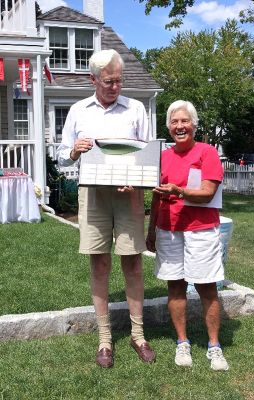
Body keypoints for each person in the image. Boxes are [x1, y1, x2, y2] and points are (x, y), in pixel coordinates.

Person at [57, 49, 156, 368]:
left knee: (133, 264)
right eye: (109, 81)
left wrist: (139, 182)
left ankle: (138, 335)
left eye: (119, 80)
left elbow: (149, 155)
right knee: (99, 265)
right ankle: (104, 340)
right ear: (93, 80)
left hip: (129, 196)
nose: (115, 86)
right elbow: (61, 157)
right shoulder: (78, 110)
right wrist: (73, 150)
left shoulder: (136, 108)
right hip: (94, 196)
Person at [146, 100, 229, 371]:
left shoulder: (207, 152)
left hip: (201, 229)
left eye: (185, 121)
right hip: (168, 231)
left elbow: (207, 193)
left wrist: (178, 191)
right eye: (174, 122)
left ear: (194, 124)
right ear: (168, 127)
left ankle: (214, 346)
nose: (179, 126)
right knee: (175, 286)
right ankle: (183, 342)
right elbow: (157, 198)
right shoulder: (163, 157)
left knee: (207, 286)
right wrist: (151, 230)